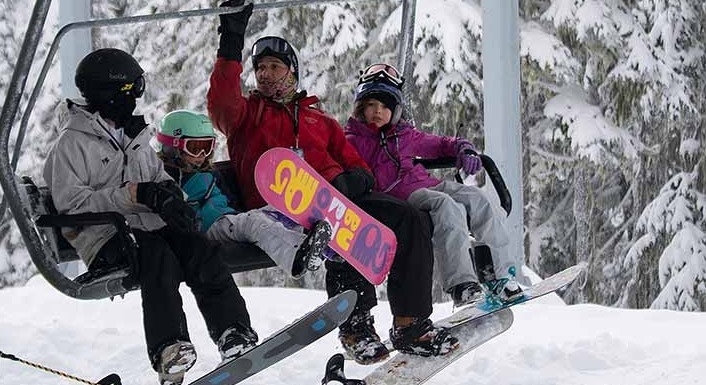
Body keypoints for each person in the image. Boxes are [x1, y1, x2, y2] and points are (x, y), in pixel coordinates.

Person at [207, 1, 458, 363]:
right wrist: (231, 39)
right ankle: (356, 326)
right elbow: (221, 104)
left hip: (332, 196)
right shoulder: (247, 114)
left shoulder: (317, 119)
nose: (264, 74)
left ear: (291, 72)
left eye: (274, 67)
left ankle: (411, 324)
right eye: (259, 68)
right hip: (281, 203)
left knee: (409, 218)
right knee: (339, 228)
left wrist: (353, 180)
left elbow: (356, 163)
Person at [43, 48, 258, 385]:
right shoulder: (72, 145)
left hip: (149, 228)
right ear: (109, 94)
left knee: (197, 247)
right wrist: (134, 194)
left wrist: (170, 196)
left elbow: (157, 178)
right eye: (131, 91)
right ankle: (168, 348)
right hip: (105, 238)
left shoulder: (134, 137)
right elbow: (72, 205)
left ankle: (233, 330)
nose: (135, 100)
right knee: (157, 256)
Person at [344, 63, 524, 306]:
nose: (378, 111)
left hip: (428, 184)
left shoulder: (403, 135)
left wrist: (464, 149)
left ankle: (501, 275)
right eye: (372, 105)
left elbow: (442, 144)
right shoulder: (354, 141)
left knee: (477, 199)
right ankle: (462, 284)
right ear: (360, 107)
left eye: (386, 106)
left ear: (395, 111)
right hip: (401, 197)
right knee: (447, 206)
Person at [152, 109, 332, 278]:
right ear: (172, 147)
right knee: (253, 223)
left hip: (226, 219)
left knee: (282, 211)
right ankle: (295, 258)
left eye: (207, 146)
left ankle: (328, 247)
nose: (202, 154)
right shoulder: (167, 176)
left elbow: (229, 201)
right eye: (195, 147)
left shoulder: (209, 173)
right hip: (206, 227)